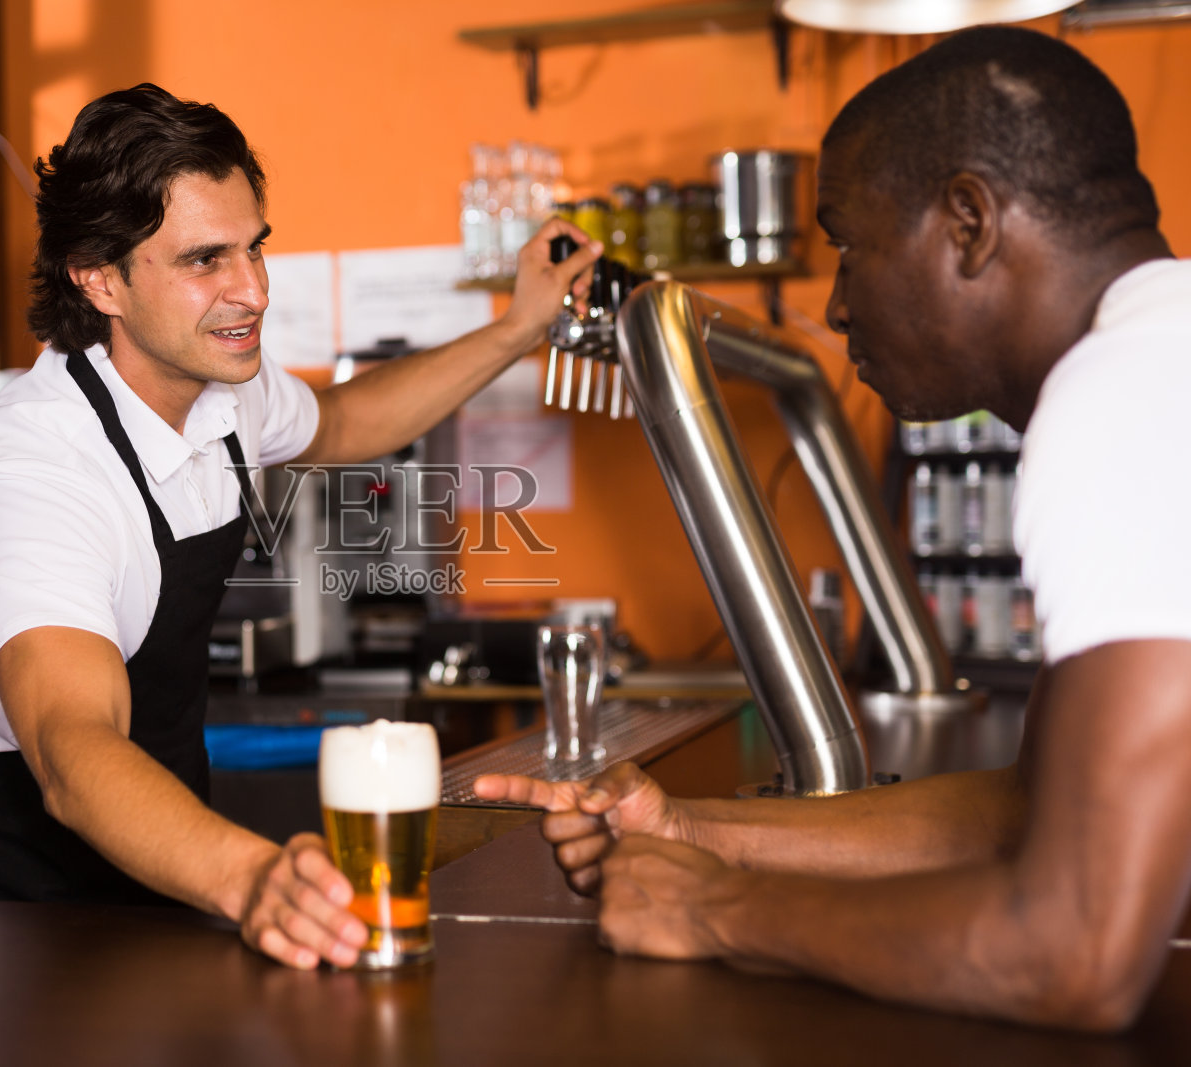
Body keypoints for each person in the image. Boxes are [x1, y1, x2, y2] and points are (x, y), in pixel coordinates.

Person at [476, 26, 1190, 1031]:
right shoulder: (1160, 353)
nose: (841, 303)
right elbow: (1035, 805)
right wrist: (694, 828)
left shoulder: (1124, 396)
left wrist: (713, 906)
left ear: (969, 223)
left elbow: (1072, 947)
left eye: (849, 245)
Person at [0, 83, 601, 970]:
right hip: (13, 925)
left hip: (159, 888)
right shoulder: (37, 473)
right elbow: (73, 750)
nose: (253, 291)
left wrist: (515, 329)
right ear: (99, 276)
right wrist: (252, 878)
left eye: (255, 248)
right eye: (205, 260)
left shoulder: (224, 388)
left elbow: (343, 424)